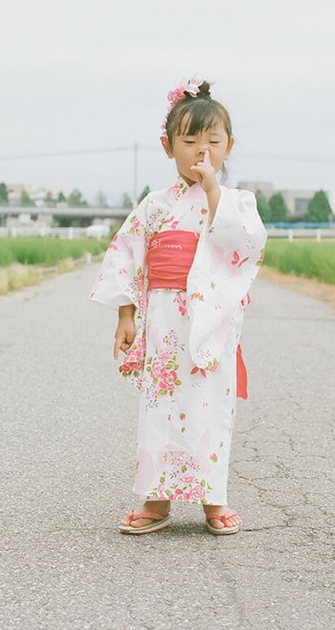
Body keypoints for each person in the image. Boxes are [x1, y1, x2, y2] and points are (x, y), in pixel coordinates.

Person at [89, 78, 267, 535]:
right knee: (160, 406)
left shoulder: (235, 202)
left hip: (210, 322)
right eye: (189, 141)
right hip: (165, 320)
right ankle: (156, 500)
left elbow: (244, 243)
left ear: (230, 147)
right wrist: (126, 314)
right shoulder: (154, 206)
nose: (201, 152)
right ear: (168, 147)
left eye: (213, 141)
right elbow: (127, 254)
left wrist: (212, 193)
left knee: (212, 406)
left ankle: (214, 499)